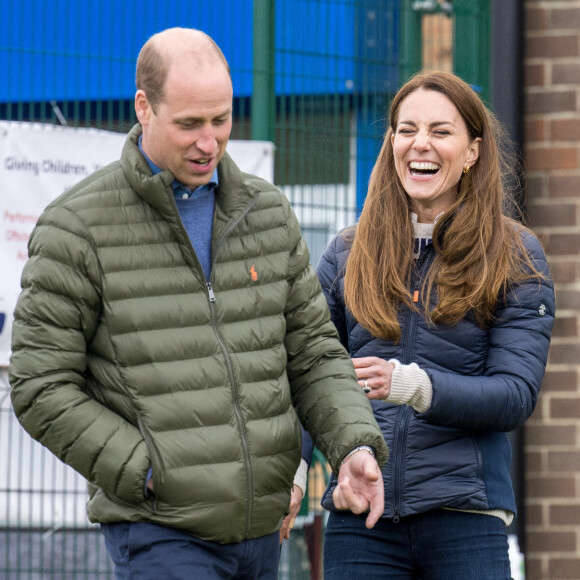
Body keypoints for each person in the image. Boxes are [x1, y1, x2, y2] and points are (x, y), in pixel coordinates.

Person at [8, 27, 389, 579]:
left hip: (262, 528)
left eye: (221, 120)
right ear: (144, 107)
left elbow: (313, 354)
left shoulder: (267, 213)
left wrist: (352, 443)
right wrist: (146, 469)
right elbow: (39, 384)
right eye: (189, 124)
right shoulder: (77, 229)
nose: (208, 142)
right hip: (162, 531)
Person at [316, 71, 555, 579]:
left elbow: (513, 395)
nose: (419, 144)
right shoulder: (345, 253)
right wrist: (296, 477)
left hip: (465, 518)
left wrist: (413, 386)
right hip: (362, 518)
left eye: (440, 131)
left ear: (472, 151)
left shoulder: (515, 255)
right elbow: (306, 372)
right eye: (407, 130)